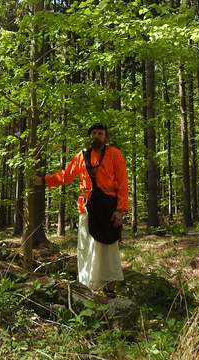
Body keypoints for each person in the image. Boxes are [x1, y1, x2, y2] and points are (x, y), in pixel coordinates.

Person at [34, 123, 129, 292]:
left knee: (107, 248)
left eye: (100, 133)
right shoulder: (81, 156)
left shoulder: (115, 154)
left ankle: (109, 287)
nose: (97, 136)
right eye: (94, 133)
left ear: (106, 137)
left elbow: (122, 184)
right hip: (86, 208)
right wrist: (43, 180)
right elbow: (65, 176)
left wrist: (121, 210)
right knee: (86, 247)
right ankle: (87, 285)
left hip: (108, 209)